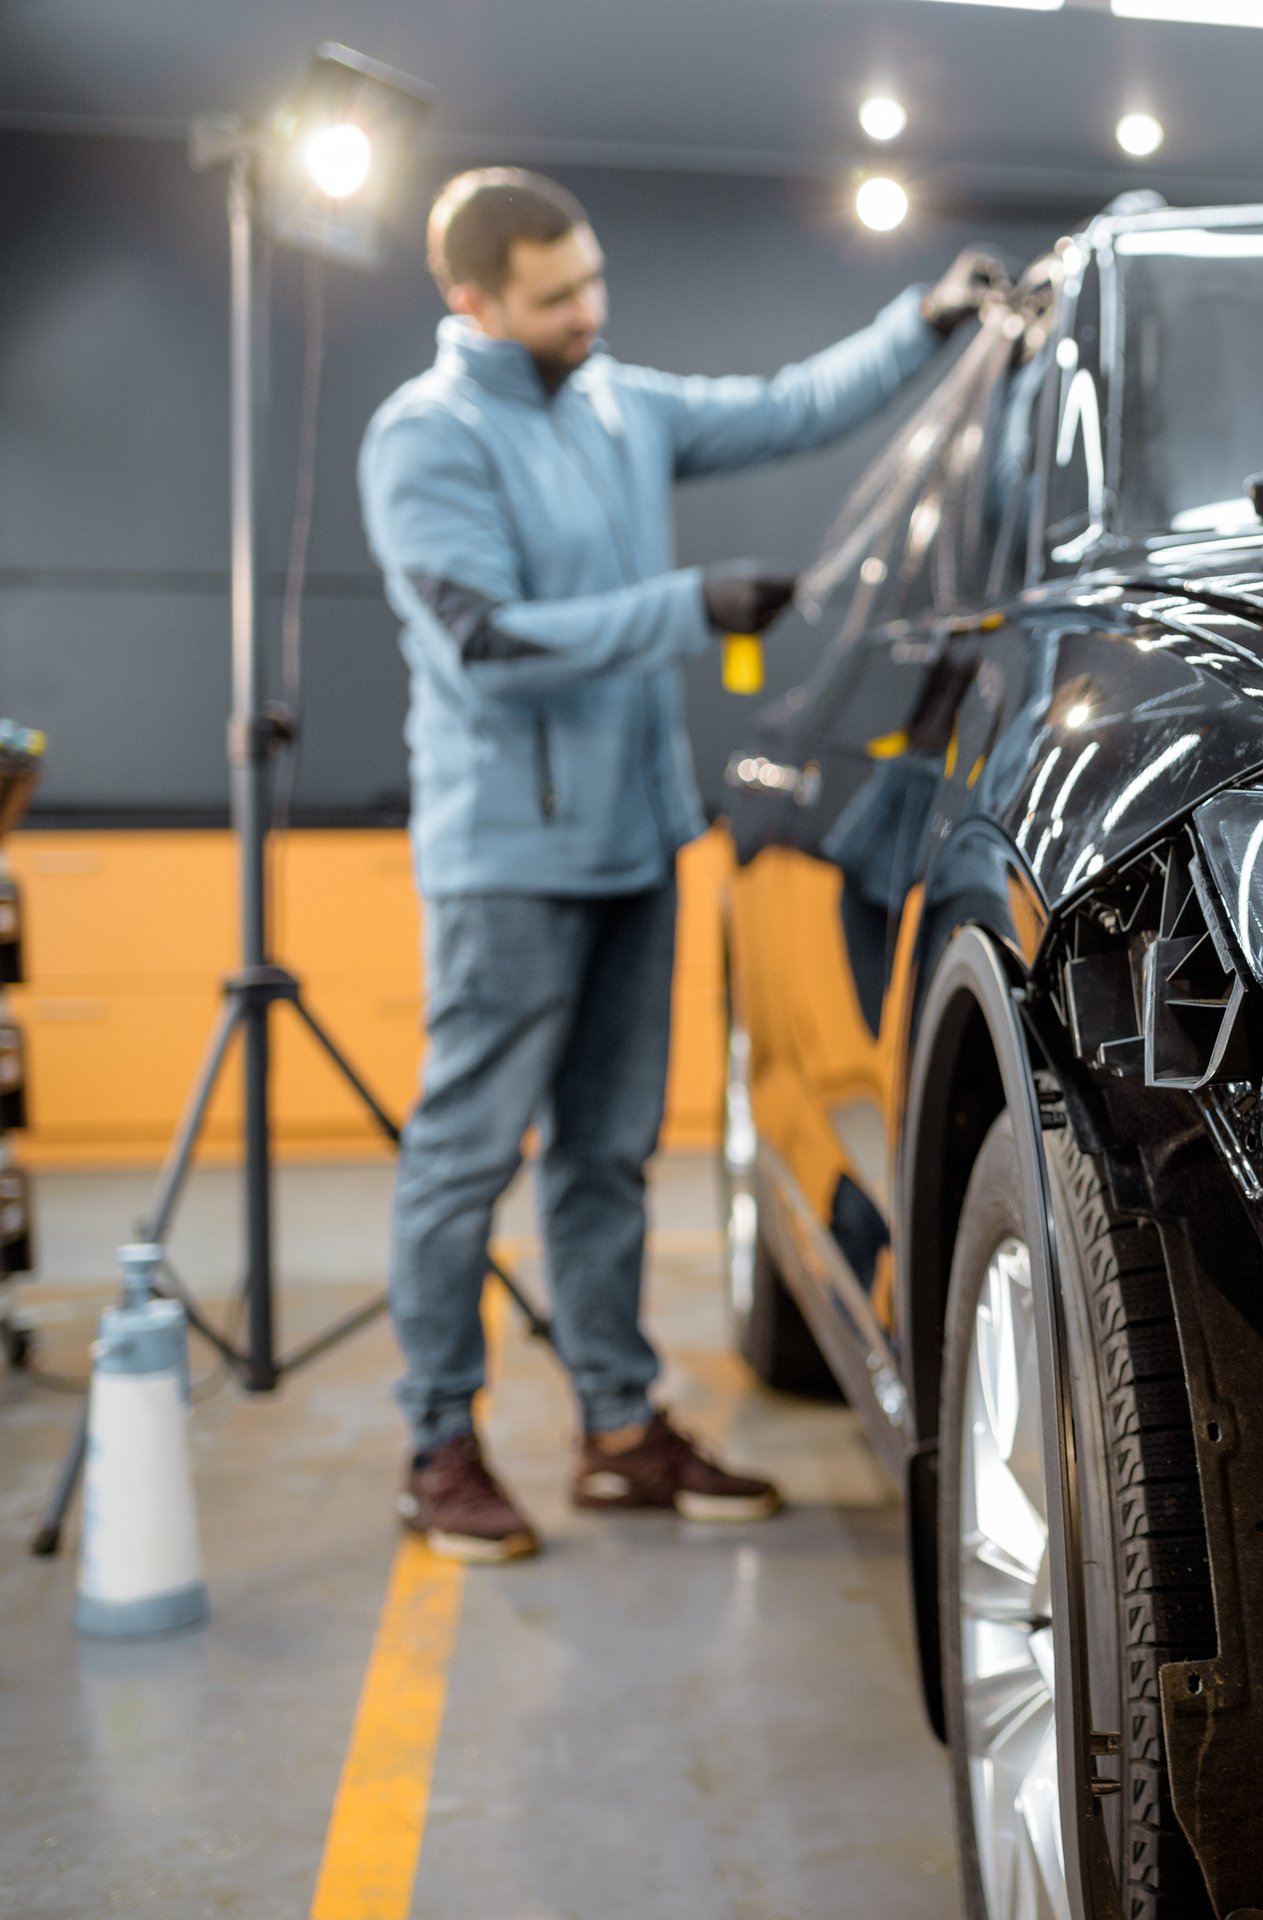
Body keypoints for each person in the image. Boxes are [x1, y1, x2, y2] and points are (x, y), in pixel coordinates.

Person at [359, 168, 1005, 1563]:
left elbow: (787, 406)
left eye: (592, 279)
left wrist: (924, 322)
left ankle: (614, 1431)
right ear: (471, 301)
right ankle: (437, 1446)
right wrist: (687, 608)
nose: (588, 311)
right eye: (554, 296)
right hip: (508, 861)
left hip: (635, 848)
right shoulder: (426, 439)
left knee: (607, 1153)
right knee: (464, 1160)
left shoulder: (616, 403)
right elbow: (485, 635)